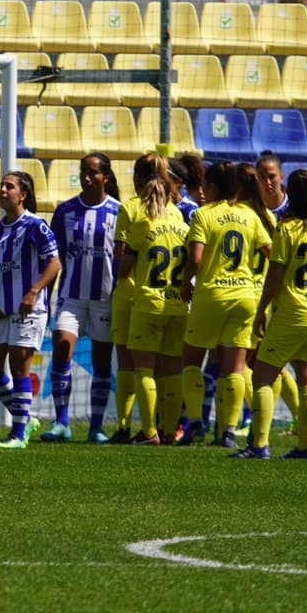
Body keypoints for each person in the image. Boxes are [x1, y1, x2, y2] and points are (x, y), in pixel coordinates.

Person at [244, 168, 307, 460]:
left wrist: (261, 310)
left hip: (294, 311)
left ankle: (259, 445)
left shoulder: (286, 229)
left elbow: (275, 274)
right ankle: (304, 446)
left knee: (262, 377)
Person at [178, 160, 272, 446]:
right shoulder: (249, 215)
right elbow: (271, 251)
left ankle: (195, 424)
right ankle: (229, 431)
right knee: (235, 368)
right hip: (244, 297)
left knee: (191, 362)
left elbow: (196, 259)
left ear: (213, 187)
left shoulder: (204, 214)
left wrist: (185, 282)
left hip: (212, 296)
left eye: (205, 185)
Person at [0, 171, 62, 449]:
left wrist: (33, 291)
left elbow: (54, 263)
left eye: (9, 186)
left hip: (28, 309)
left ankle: (18, 434)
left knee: (19, 367)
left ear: (23, 195)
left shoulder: (35, 225)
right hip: (0, 310)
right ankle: (25, 418)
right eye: (1, 186)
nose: (3, 190)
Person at [114, 153, 189, 446]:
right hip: (176, 301)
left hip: (138, 296)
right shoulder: (177, 215)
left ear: (137, 179)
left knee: (133, 365)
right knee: (171, 370)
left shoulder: (131, 209)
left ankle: (138, 429)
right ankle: (170, 430)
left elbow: (122, 261)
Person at [45, 153, 121, 443]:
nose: (87, 177)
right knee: (62, 347)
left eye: (93, 172)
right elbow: (53, 259)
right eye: (83, 172)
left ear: (106, 177)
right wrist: (45, 297)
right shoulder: (65, 211)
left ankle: (96, 427)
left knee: (101, 361)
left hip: (104, 298)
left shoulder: (118, 212)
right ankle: (62, 422)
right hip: (72, 296)